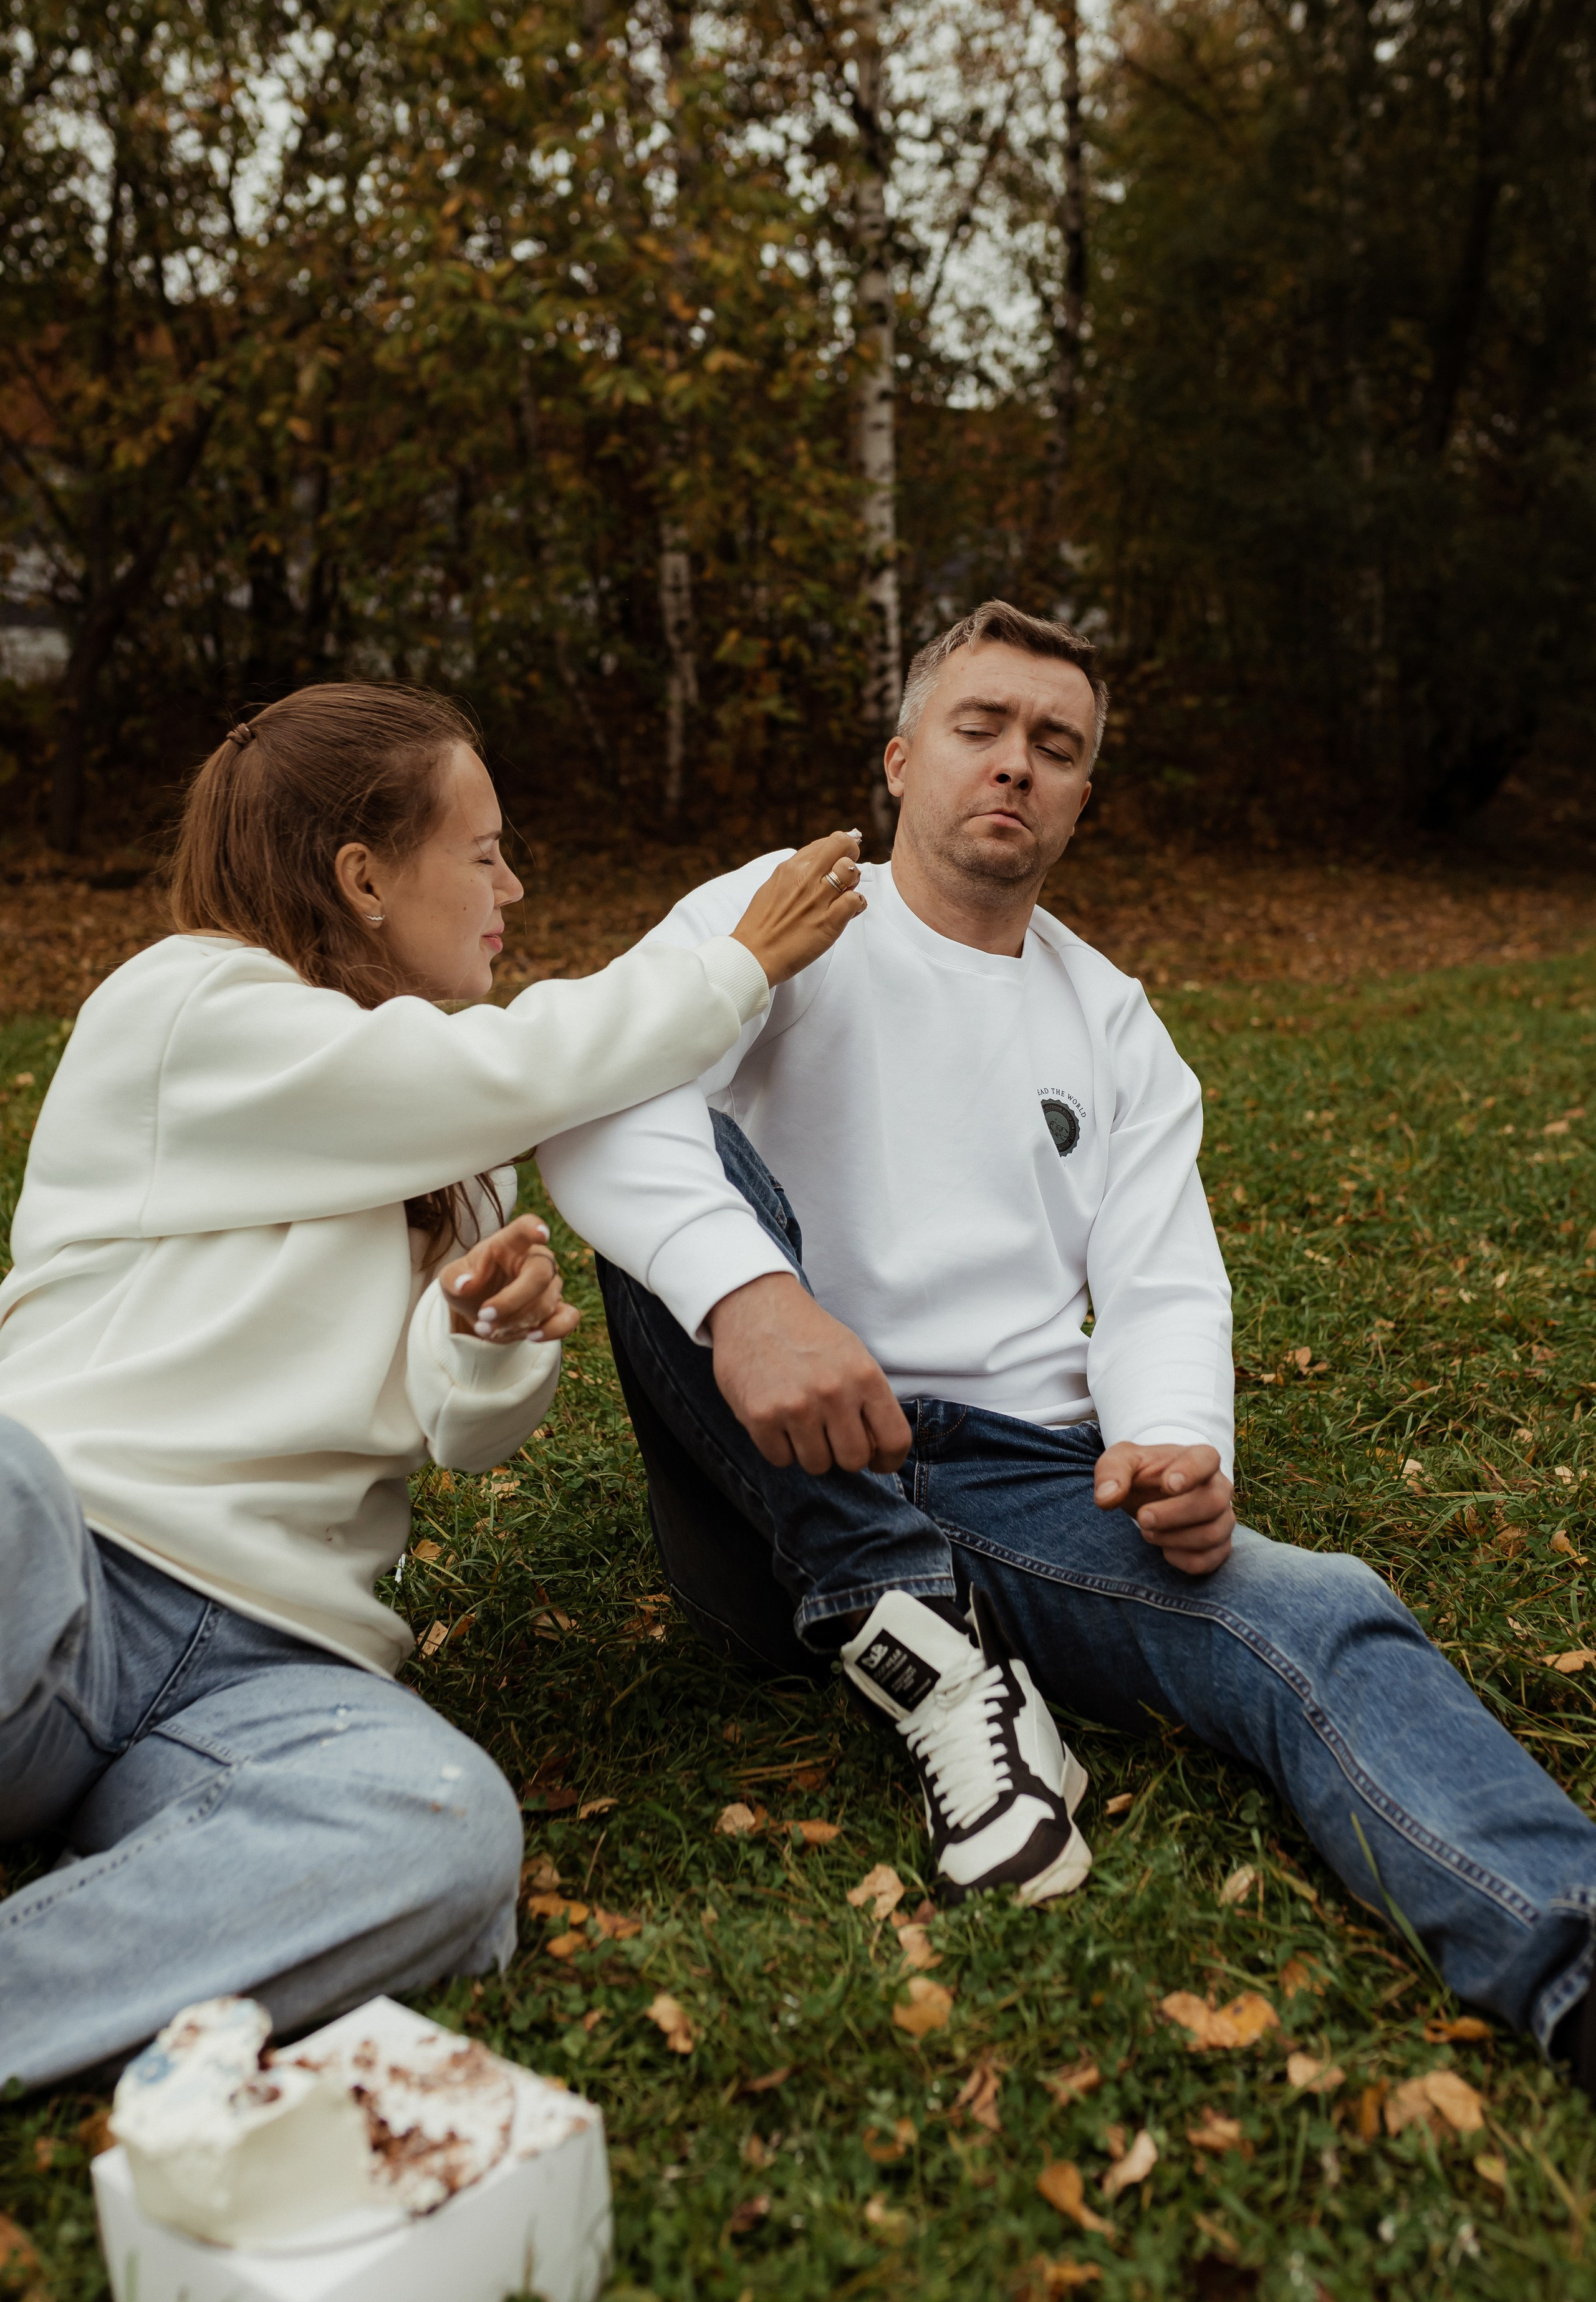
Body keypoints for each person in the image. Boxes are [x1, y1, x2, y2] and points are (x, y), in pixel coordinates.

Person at [541, 601, 1596, 2089]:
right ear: (901, 757)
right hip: (768, 1474)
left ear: (1083, 795)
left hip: (1020, 1488)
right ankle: (905, 1619)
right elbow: (588, 1099)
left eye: (1056, 746)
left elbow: (1160, 1273)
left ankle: (1568, 1951)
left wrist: (1181, 1441)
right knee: (669, 1129)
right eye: (979, 729)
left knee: (1315, 1612)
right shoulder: (784, 908)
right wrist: (748, 1296)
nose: (1014, 766)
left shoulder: (1110, 1019)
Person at [0, 681, 864, 2091]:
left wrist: (487, 1333)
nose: (512, 887)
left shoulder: (457, 1154)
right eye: (484, 852)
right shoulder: (183, 1008)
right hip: (53, 1582)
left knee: (443, 1827)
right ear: (361, 876)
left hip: (262, 1668)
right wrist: (729, 968)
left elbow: (460, 1431)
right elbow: (503, 1063)